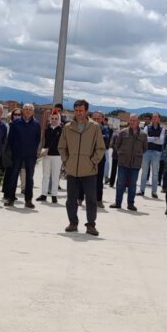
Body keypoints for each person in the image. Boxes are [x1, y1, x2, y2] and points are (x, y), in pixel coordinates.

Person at [58, 99, 105, 236]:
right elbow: (62, 146)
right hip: (72, 169)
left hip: (89, 170)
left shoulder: (94, 127)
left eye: (81, 110)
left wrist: (93, 162)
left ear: (86, 111)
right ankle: (73, 222)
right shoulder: (68, 127)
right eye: (76, 110)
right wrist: (67, 161)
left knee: (91, 199)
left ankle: (91, 225)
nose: (78, 113)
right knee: (71, 198)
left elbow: (100, 148)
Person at [5, 103, 41, 208]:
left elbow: (38, 139)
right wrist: (15, 149)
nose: (28, 111)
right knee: (14, 176)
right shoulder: (16, 122)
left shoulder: (36, 124)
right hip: (17, 154)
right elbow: (10, 138)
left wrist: (35, 151)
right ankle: (10, 198)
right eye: (26, 109)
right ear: (22, 111)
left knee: (29, 178)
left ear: (33, 112)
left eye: (30, 109)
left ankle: (28, 200)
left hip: (30, 155)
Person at [111, 114, 147, 211]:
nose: (132, 122)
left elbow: (145, 148)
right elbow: (116, 145)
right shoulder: (123, 132)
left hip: (135, 164)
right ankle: (118, 203)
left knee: (133, 184)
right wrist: (121, 153)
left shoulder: (143, 135)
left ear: (138, 122)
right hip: (123, 162)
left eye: (134, 120)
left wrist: (138, 154)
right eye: (131, 120)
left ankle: (130, 204)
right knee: (120, 183)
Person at [37, 111, 63, 204]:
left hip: (57, 156)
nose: (54, 120)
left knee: (55, 176)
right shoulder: (47, 129)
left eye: (56, 119)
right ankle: (43, 194)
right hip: (47, 155)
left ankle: (54, 195)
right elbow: (43, 141)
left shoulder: (62, 130)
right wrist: (41, 150)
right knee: (45, 175)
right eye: (52, 118)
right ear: (50, 119)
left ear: (59, 120)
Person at [139, 113, 166, 199]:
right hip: (146, 151)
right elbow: (145, 139)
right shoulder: (147, 128)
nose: (154, 119)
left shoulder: (162, 129)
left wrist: (151, 138)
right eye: (153, 117)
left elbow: (161, 141)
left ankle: (154, 192)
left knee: (155, 173)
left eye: (156, 117)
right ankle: (141, 190)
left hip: (157, 153)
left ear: (159, 119)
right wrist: (155, 138)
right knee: (144, 172)